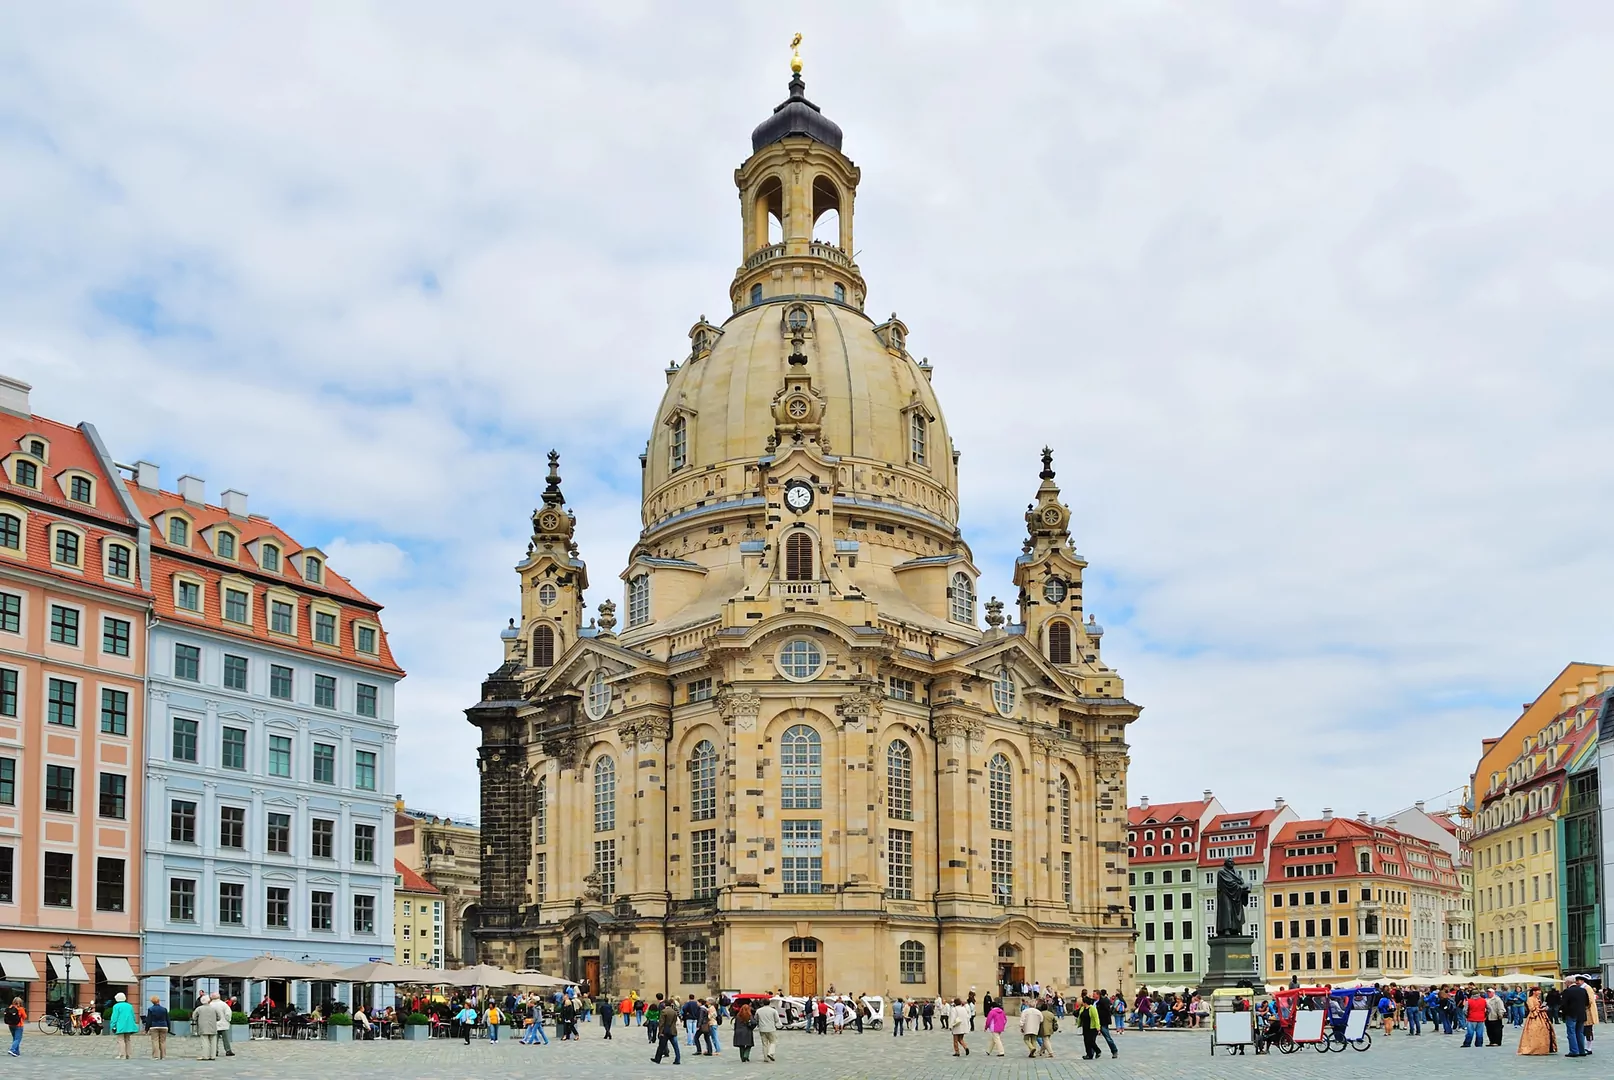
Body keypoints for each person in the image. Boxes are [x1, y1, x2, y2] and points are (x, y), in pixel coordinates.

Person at [1562, 976, 1591, 1058]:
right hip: (1581, 1014)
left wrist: (1564, 1013)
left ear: (1568, 982)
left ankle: (1574, 1051)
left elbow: (1564, 1004)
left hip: (1571, 1014)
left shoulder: (1567, 991)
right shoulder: (1583, 990)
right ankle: (1582, 1050)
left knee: (1571, 1032)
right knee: (1580, 1033)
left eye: (1565, 982)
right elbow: (1587, 1002)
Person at [108, 992, 139, 1059]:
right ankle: (129, 1054)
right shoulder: (129, 1006)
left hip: (120, 1025)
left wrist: (112, 1025)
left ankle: (122, 1055)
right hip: (129, 1025)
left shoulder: (116, 1006)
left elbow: (114, 1017)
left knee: (121, 1040)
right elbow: (133, 1016)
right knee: (128, 1040)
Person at [653, 998, 682, 1065]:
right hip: (673, 1030)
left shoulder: (664, 1011)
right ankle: (677, 1059)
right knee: (676, 1047)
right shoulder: (674, 1011)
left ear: (665, 1004)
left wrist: (660, 1032)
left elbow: (661, 1023)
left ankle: (657, 1059)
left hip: (665, 1031)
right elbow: (674, 1021)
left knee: (661, 1046)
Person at [194, 990, 220, 1060]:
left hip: (203, 1027)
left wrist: (198, 1020)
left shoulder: (199, 1009)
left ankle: (205, 1056)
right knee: (213, 1042)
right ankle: (213, 1056)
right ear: (209, 1001)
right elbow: (219, 1017)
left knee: (205, 1042)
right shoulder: (214, 1008)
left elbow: (194, 1017)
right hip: (213, 1027)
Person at [755, 997, 780, 1063]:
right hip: (771, 1028)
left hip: (762, 1029)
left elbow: (756, 1019)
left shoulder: (758, 1010)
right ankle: (770, 1053)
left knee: (764, 1044)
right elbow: (777, 1019)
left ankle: (765, 1058)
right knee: (773, 1042)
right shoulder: (773, 1010)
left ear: (762, 1003)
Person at [144, 995, 169, 1060]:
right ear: (158, 1001)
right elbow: (167, 1019)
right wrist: (168, 1027)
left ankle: (156, 1056)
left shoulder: (150, 1009)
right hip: (164, 1026)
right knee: (163, 1042)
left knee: (155, 1041)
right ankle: (163, 1056)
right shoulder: (164, 1009)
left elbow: (149, 1020)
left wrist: (146, 1029)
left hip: (154, 1026)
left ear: (152, 1002)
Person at [1095, 990, 1119, 1058]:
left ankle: (1114, 1051)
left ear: (1098, 995)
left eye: (1094, 994)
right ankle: (1095, 1052)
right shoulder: (1094, 1001)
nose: (1093, 996)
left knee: (1107, 1037)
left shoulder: (1104, 1001)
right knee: (1091, 1039)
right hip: (1095, 1022)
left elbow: (1107, 1012)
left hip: (1102, 1022)